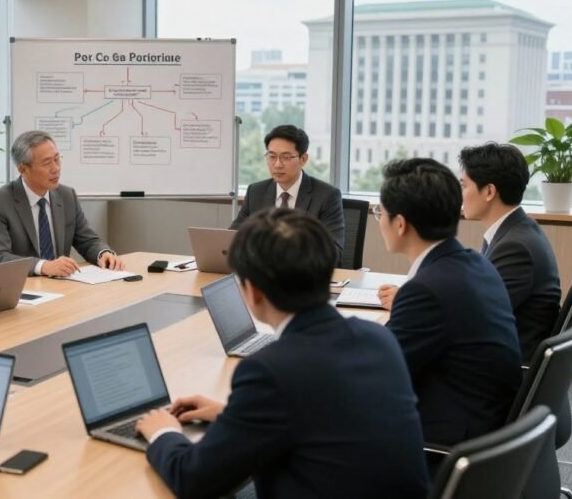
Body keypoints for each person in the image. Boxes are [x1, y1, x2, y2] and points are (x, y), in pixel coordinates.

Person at [134, 210, 428, 499]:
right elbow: (324, 413)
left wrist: (164, 433)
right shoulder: (378, 338)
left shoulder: (270, 371)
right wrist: (231, 415)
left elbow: (193, 479)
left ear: (253, 292)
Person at [375, 158, 521, 446]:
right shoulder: (473, 263)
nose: (379, 219)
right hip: (487, 426)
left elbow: (381, 374)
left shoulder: (426, 290)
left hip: (450, 443)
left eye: (380, 212)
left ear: (400, 224)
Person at [460, 142, 561, 361]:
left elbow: (476, 317)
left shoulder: (515, 247)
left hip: (504, 370)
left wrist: (413, 302)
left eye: (464, 186)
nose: (461, 194)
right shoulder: (518, 229)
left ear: (489, 191)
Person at [0, 130, 124, 277]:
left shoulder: (67, 195)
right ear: (23, 169)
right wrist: (43, 266)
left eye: (57, 159)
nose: (56, 169)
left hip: (61, 287)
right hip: (22, 289)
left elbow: (87, 240)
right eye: (47, 163)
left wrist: (103, 253)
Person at [229, 125, 344, 264]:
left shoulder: (327, 196)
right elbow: (233, 237)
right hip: (263, 274)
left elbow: (333, 252)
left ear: (303, 159)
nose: (277, 165)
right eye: (272, 157)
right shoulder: (256, 192)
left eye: (286, 157)